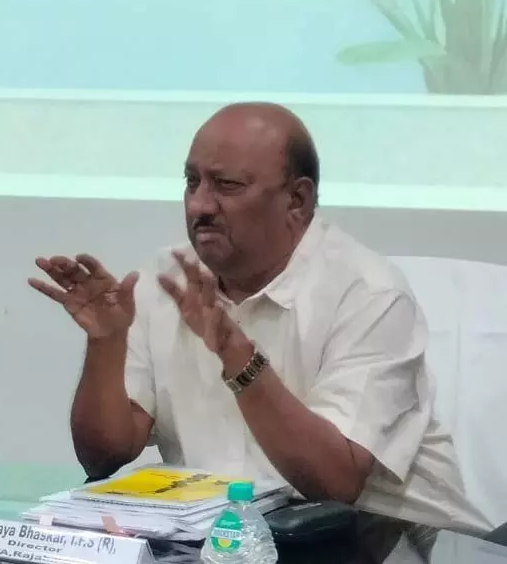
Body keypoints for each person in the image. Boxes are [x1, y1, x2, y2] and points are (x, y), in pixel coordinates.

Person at [29, 102, 491, 534]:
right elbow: (104, 455)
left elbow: (336, 483)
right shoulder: (162, 282)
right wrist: (106, 345)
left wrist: (237, 356)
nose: (199, 206)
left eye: (227, 186)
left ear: (298, 200)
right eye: (192, 182)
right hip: (242, 543)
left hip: (397, 541)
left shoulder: (368, 293)